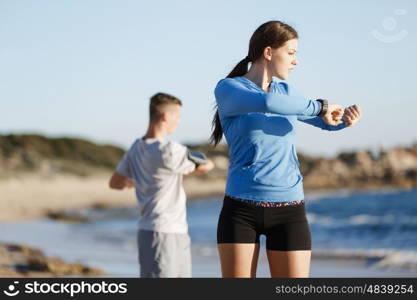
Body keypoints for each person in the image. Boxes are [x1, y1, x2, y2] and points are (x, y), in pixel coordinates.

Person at [211, 20, 362, 278]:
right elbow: (269, 103)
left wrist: (342, 121)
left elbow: (321, 121)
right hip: (241, 210)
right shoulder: (229, 88)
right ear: (268, 52)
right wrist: (320, 106)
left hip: (289, 209)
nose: (296, 61)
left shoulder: (288, 91)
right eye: (291, 53)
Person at [109, 92, 214, 278]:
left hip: (152, 231)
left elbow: (115, 183)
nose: (179, 121)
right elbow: (206, 165)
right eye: (178, 116)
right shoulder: (170, 150)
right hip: (167, 232)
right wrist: (189, 169)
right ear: (165, 116)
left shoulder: (135, 148)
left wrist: (138, 181)